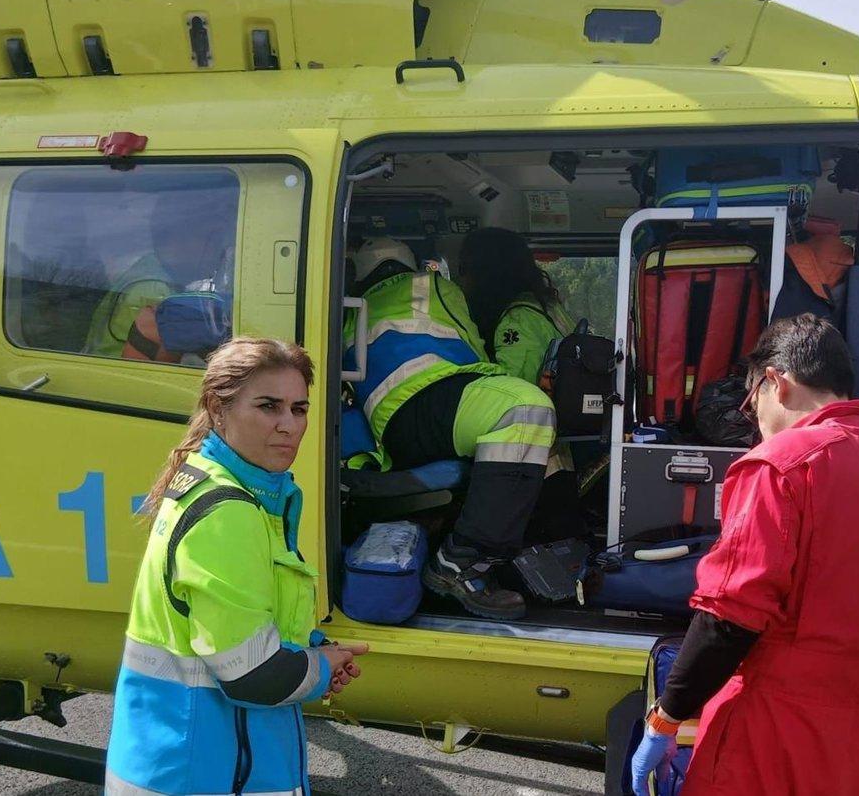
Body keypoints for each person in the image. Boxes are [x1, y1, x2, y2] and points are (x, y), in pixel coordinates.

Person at [631, 314, 859, 796]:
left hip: (772, 736)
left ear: (774, 382)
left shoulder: (780, 465)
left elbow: (729, 617)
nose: (755, 421)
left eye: (751, 404)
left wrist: (666, 717)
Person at [106, 337, 367, 796]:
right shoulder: (230, 510)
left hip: (180, 763)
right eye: (269, 406)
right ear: (218, 408)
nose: (289, 426)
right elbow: (253, 676)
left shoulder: (213, 483)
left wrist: (311, 649)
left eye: (299, 409)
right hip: (210, 774)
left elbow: (228, 625)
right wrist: (320, 668)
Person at [344, 236, 556, 621]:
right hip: (430, 399)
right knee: (524, 409)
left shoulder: (343, 310)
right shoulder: (435, 285)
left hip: (393, 424)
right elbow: (472, 343)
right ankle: (460, 562)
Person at [85, 195, 234, 361]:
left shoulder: (150, 266)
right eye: (214, 240)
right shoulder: (155, 289)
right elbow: (161, 366)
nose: (220, 251)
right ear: (181, 239)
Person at [457, 226, 575, 386]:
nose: (461, 280)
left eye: (463, 269)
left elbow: (513, 391)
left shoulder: (517, 320)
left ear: (483, 274)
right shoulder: (545, 306)